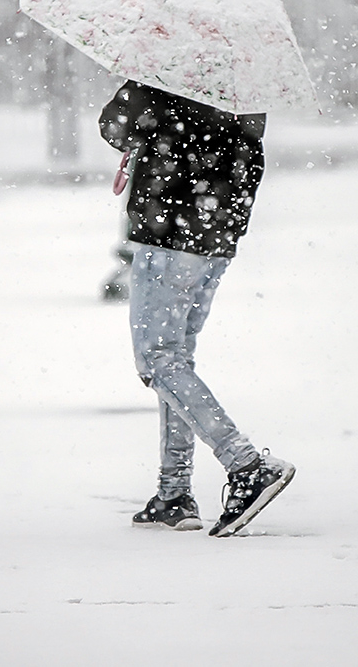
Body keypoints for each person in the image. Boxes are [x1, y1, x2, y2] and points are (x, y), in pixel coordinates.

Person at [99, 79, 294, 537]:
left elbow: (114, 126)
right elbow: (247, 150)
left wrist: (141, 114)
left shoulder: (163, 71)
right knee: (175, 360)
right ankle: (173, 493)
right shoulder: (244, 82)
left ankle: (246, 465)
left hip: (168, 233)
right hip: (215, 235)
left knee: (157, 359)